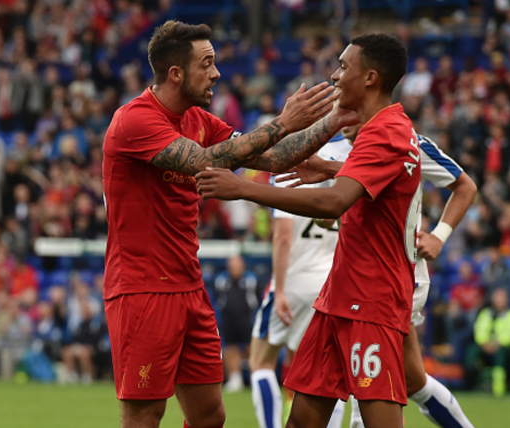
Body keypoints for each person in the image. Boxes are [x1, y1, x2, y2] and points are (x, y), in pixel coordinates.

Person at [102, 20, 356, 428]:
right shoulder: (134, 121)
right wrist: (282, 123)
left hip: (189, 287)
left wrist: (334, 120)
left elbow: (272, 157)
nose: (217, 73)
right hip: (142, 290)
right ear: (176, 73)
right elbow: (209, 161)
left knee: (209, 417)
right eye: (207, 63)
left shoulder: (198, 120)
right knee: (145, 415)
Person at [197, 34, 419, 428]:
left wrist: (244, 189)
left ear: (370, 78)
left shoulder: (387, 131)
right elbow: (370, 184)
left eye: (343, 67)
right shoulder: (378, 130)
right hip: (336, 298)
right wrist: (331, 168)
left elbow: (334, 203)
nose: (335, 76)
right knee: (302, 420)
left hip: (371, 302)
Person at [277, 128, 478, 427]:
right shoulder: (331, 152)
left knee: (368, 389)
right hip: (348, 280)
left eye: (345, 96)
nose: (342, 110)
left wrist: (439, 235)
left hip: (398, 279)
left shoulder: (407, 142)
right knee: (412, 382)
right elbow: (327, 219)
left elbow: (465, 186)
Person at [249, 129, 354, 428]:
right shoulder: (340, 166)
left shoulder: (283, 171)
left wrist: (279, 290)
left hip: (294, 279)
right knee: (319, 373)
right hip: (329, 283)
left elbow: (282, 238)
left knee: (261, 361)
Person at [214, 254, 258, 393]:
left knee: (252, 349)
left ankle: (255, 378)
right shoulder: (221, 280)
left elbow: (256, 299)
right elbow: (219, 300)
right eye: (232, 265)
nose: (235, 268)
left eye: (237, 264)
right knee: (229, 348)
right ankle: (235, 378)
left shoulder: (251, 280)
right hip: (228, 321)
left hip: (247, 320)